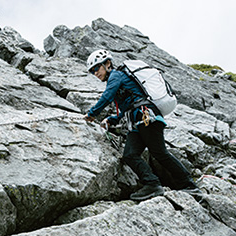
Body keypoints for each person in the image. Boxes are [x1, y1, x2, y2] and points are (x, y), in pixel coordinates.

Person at [84, 49, 201, 201]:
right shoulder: (117, 80)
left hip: (147, 117)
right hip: (137, 122)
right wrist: (111, 119)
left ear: (107, 63)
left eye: (96, 68)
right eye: (92, 71)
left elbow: (107, 96)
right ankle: (152, 184)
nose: (95, 73)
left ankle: (189, 185)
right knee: (130, 155)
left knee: (159, 153)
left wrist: (92, 113)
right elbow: (126, 108)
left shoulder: (116, 75)